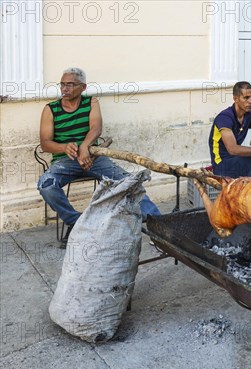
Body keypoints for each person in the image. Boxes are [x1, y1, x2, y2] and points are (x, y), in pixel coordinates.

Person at [38, 67, 161, 245]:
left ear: (83, 87)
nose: (64, 89)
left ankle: (155, 219)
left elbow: (96, 128)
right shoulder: (51, 109)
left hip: (94, 158)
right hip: (65, 162)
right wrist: (65, 147)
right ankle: (76, 222)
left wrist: (85, 148)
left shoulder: (91, 103)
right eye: (62, 84)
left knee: (128, 181)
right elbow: (45, 143)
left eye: (70, 85)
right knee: (46, 185)